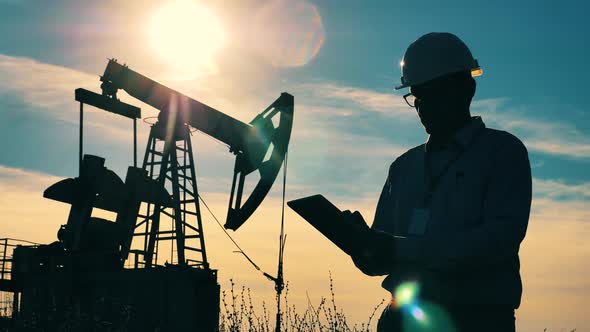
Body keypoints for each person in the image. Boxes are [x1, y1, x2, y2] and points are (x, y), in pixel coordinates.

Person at [347, 32, 532, 331]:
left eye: (432, 94)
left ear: (466, 89)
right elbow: (381, 259)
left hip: (477, 318)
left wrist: (398, 249)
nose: (422, 106)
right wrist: (361, 245)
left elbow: (498, 241)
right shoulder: (403, 168)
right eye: (416, 96)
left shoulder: (502, 153)